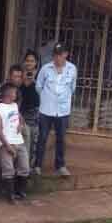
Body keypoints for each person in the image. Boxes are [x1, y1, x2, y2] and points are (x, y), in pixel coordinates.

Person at [36, 43, 77, 177]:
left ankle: (60, 165)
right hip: (46, 110)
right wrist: (47, 98)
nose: (57, 58)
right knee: (42, 137)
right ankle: (37, 165)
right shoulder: (45, 68)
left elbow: (72, 88)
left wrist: (63, 99)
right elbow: (39, 86)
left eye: (60, 55)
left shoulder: (72, 69)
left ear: (65, 54)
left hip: (63, 111)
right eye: (55, 55)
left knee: (61, 138)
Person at [0, 82, 30, 201]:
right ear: (8, 93)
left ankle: (20, 192)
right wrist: (7, 145)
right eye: (14, 92)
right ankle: (10, 194)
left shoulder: (15, 105)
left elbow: (21, 118)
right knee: (8, 170)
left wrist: (20, 124)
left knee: (24, 167)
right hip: (6, 143)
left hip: (19, 141)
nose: (16, 94)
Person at [21, 50, 42, 174]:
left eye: (32, 61)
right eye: (27, 60)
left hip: (35, 114)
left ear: (36, 63)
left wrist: (34, 79)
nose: (29, 63)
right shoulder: (20, 75)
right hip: (22, 114)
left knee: (34, 142)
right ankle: (23, 169)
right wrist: (24, 79)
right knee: (24, 142)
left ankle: (30, 168)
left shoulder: (40, 76)